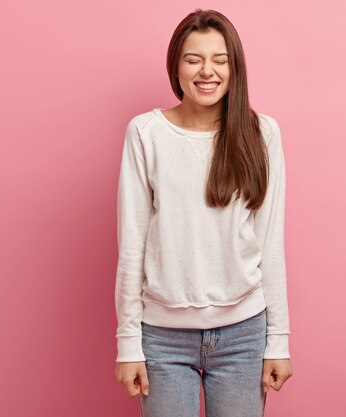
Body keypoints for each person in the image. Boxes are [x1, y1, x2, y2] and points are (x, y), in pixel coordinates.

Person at [113, 9, 294, 417]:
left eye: (220, 59)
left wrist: (278, 341)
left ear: (235, 67)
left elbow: (270, 243)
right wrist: (128, 344)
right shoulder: (145, 133)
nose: (206, 71)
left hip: (244, 335)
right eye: (193, 59)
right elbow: (131, 244)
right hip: (162, 337)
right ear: (175, 66)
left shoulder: (262, 133)